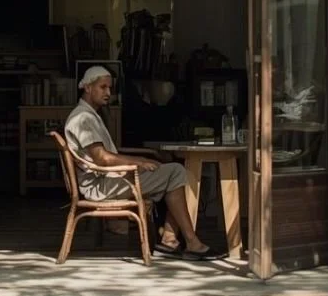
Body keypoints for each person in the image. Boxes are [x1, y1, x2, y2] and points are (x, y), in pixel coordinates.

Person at [64, 66, 223, 260]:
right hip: (101, 186)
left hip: (109, 179)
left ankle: (172, 241)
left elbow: (106, 156)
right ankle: (187, 242)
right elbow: (102, 158)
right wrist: (139, 161)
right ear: (88, 88)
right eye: (102, 87)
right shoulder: (82, 118)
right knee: (175, 172)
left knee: (172, 171)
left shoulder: (89, 114)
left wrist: (143, 160)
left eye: (110, 88)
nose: (108, 93)